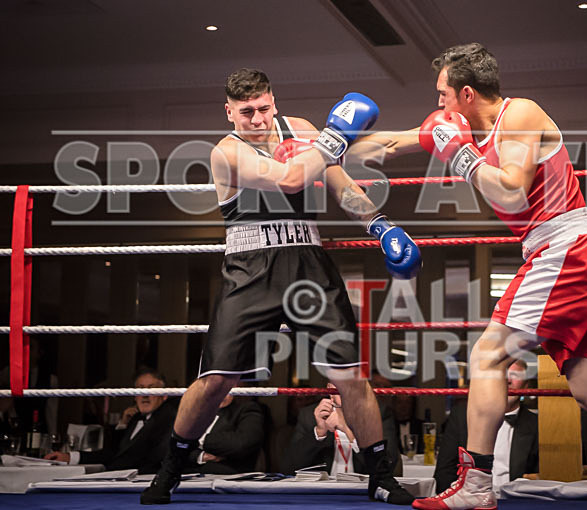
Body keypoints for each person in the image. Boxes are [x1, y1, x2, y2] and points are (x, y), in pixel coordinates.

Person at [350, 43, 587, 510]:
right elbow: (393, 143)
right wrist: (333, 147)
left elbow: (512, 194)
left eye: (443, 95)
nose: (438, 105)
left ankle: (475, 486)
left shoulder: (519, 115)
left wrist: (463, 157)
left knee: (488, 357)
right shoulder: (457, 126)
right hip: (567, 252)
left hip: (564, 247)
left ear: (467, 93)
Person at [140, 68, 421, 505]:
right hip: (249, 266)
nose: (257, 119)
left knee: (351, 375)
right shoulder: (226, 153)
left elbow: (338, 182)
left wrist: (380, 225)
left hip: (308, 261)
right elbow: (288, 179)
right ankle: (171, 466)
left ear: (275, 101)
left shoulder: (303, 130)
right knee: (216, 381)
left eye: (264, 108)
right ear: (229, 112)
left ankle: (381, 476)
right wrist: (333, 140)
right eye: (246, 111)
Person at [434, 359, 538, 495]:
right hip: (469, 502)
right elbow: (444, 472)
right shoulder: (462, 416)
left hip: (517, 502)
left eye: (515, 376)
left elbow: (542, 478)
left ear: (526, 386)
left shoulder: (536, 424)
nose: (507, 380)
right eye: (501, 375)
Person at [46, 368, 177, 474]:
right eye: (141, 389)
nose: (145, 395)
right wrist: (71, 457)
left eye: (151, 388)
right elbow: (114, 451)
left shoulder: (169, 418)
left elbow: (148, 458)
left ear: (164, 395)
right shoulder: (135, 418)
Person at [283, 382, 401, 476]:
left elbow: (388, 464)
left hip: (364, 490)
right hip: (322, 492)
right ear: (330, 388)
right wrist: (319, 432)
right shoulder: (310, 415)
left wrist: (349, 432)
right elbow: (289, 466)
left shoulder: (378, 414)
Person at [185, 393, 266, 474]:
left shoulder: (246, 409)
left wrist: (199, 439)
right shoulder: (193, 411)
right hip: (187, 476)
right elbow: (175, 448)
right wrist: (201, 456)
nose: (220, 392)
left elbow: (241, 444)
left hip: (228, 478)